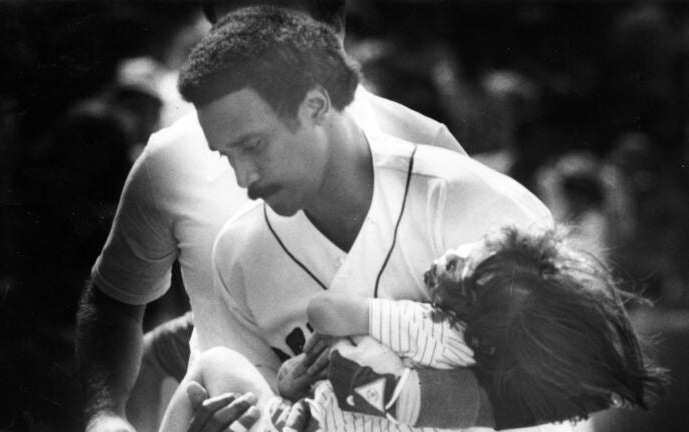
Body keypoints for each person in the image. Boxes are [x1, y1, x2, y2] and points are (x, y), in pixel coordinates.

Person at [75, 1, 468, 432]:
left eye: (282, 29)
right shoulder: (173, 161)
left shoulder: (424, 148)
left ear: (333, 29)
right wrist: (105, 416)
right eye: (239, 32)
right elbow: (114, 300)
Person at [176, 6, 567, 432]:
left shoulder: (472, 202)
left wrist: (395, 386)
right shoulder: (240, 250)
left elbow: (571, 391)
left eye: (253, 145)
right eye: (226, 154)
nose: (242, 177)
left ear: (315, 105)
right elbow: (265, 409)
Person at [158, 225, 665, 432]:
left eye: (464, 268)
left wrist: (334, 370)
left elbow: (369, 392)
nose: (453, 253)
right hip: (305, 413)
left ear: (480, 329)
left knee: (214, 365)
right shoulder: (467, 373)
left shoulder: (452, 381)